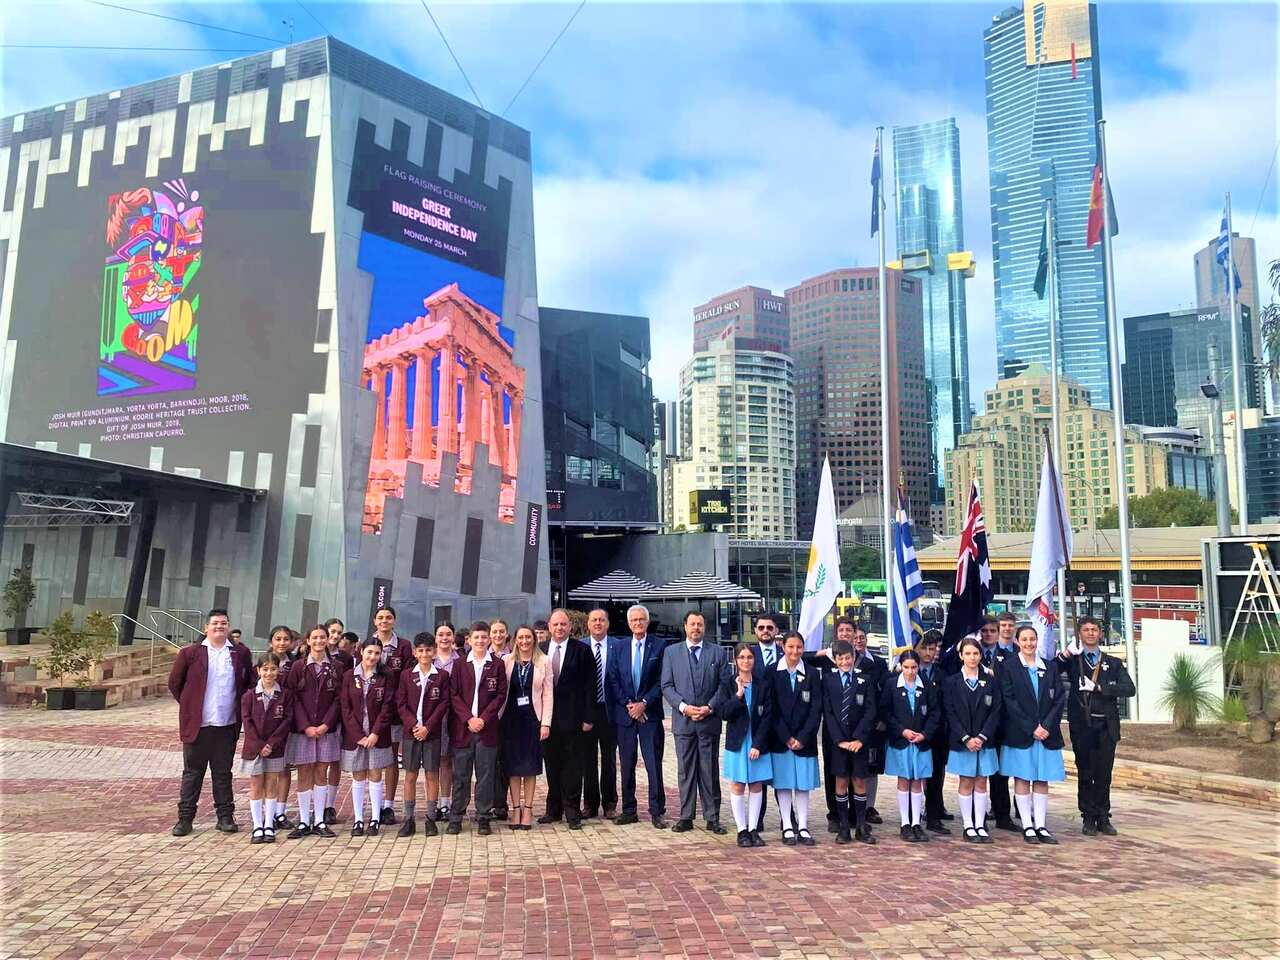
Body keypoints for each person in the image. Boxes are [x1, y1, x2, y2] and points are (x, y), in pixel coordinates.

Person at [168, 608, 255, 836]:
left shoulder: (239, 654)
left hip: (226, 725)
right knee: (192, 773)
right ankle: (185, 819)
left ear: (229, 627)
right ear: (206, 627)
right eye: (215, 623)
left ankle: (225, 816)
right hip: (198, 725)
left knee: (223, 773)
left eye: (224, 623)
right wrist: (190, 706)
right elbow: (175, 684)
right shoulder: (190, 653)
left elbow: (248, 685)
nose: (219, 626)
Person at [1060, 616, 1135, 836]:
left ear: (1100, 634)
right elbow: (1051, 671)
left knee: (1104, 773)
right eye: (1086, 630)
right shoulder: (1074, 661)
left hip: (1106, 725)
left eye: (1094, 630)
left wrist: (1101, 687)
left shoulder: (1112, 662)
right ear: (1079, 634)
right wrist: (1066, 653)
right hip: (1083, 724)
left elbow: (1128, 688)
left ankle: (1103, 815)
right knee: (1085, 771)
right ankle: (1088, 816)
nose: (1091, 633)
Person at [661, 610, 729, 835]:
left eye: (700, 624)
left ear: (704, 627)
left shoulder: (718, 653)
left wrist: (709, 707)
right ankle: (686, 816)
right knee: (685, 770)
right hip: (684, 722)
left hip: (709, 720)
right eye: (692, 624)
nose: (696, 628)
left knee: (709, 770)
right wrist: (683, 707)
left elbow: (724, 685)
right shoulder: (671, 653)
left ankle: (712, 817)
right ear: (685, 626)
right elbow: (667, 686)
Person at [999, 624, 1068, 845]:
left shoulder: (1050, 667)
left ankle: (1040, 825)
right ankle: (1027, 825)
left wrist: (1046, 725)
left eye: (1033, 639)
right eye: (1025, 639)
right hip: (1021, 733)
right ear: (1018, 642)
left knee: (1041, 779)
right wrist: (1031, 727)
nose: (1029, 643)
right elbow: (1009, 701)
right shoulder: (1009, 667)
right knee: (1022, 777)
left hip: (1046, 735)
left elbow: (1059, 699)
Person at [605, 604, 667, 829]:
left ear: (647, 622)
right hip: (626, 716)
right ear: (629, 623)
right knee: (627, 764)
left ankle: (657, 811)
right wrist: (630, 705)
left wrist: (644, 704)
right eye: (634, 620)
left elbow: (662, 680)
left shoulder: (660, 646)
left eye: (642, 620)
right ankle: (629, 810)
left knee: (653, 764)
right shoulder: (619, 647)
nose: (638, 623)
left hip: (649, 716)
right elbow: (612, 679)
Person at [447, 622, 507, 835]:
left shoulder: (497, 665)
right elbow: (453, 695)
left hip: (487, 729)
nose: (480, 641)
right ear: (469, 640)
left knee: (485, 774)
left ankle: (483, 816)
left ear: (489, 639)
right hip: (463, 729)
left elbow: (500, 695)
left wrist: (483, 718)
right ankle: (456, 816)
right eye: (477, 637)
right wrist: (468, 719)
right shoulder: (460, 664)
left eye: (484, 637)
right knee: (461, 774)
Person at [283, 625, 342, 839]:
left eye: (323, 637)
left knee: (321, 772)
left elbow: (338, 699)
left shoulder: (336, 666)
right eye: (314, 637)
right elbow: (293, 698)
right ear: (307, 641)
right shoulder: (298, 667)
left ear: (328, 640)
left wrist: (326, 724)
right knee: (305, 772)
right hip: (303, 730)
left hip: (327, 729)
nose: (319, 641)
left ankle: (319, 820)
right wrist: (306, 725)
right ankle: (303, 821)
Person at [538, 609, 593, 830]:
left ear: (570, 627)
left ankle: (572, 811)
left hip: (574, 719)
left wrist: (589, 717)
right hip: (547, 720)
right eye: (555, 625)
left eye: (563, 624)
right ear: (549, 627)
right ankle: (553, 809)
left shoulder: (582, 650)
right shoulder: (540, 650)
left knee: (572, 766)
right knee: (551, 764)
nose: (559, 628)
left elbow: (591, 686)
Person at [943, 637, 1002, 843]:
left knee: (981, 781)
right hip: (962, 742)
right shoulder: (952, 682)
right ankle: (968, 825)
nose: (972, 657)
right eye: (967, 653)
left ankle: (980, 824)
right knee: (966, 781)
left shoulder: (991, 681)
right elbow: (950, 713)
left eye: (975, 653)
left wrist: (982, 737)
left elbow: (996, 711)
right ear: (961, 656)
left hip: (985, 741)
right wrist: (966, 738)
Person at [767, 630, 822, 847]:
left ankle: (804, 825)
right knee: (783, 783)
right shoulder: (772, 672)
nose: (795, 651)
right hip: (781, 740)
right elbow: (772, 709)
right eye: (791, 647)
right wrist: (787, 737)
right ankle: (788, 825)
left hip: (804, 740)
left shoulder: (811, 673)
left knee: (802, 784)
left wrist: (802, 736)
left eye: (799, 647)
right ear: (783, 647)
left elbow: (816, 709)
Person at [821, 638, 876, 845]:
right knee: (841, 781)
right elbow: (828, 712)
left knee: (860, 781)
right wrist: (839, 740)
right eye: (841, 658)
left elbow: (870, 710)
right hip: (839, 743)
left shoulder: (865, 679)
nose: (845, 662)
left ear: (854, 658)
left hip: (859, 742)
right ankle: (843, 826)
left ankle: (861, 826)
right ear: (835, 660)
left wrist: (859, 739)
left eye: (848, 658)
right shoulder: (828, 680)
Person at [881, 650, 940, 843]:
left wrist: (924, 734)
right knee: (904, 780)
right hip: (901, 741)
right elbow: (886, 712)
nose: (910, 671)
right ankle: (905, 823)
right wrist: (902, 731)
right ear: (901, 666)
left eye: (914, 667)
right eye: (906, 667)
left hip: (921, 742)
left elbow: (934, 713)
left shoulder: (927, 686)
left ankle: (916, 822)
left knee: (917, 781)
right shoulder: (892, 685)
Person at [395, 632, 450, 838]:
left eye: (428, 650)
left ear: (434, 651)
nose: (425, 654)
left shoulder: (442, 676)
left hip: (432, 733)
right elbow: (400, 704)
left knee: (431, 774)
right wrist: (414, 725)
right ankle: (409, 819)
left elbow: (443, 703)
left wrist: (427, 727)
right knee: (410, 775)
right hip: (411, 733)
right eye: (421, 650)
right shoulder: (406, 675)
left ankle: (430, 818)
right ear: (415, 652)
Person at [340, 638, 396, 836]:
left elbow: (388, 707)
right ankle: (357, 819)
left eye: (377, 653)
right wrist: (358, 735)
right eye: (370, 652)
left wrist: (375, 733)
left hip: (377, 734)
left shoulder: (386, 675)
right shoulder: (348, 676)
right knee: (358, 775)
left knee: (375, 774)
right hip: (355, 735)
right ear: (361, 651)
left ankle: (374, 818)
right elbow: (345, 707)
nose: (373, 657)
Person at [720, 643, 774, 847]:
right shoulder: (728, 683)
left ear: (754, 660)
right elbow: (724, 713)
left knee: (756, 784)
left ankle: (753, 829)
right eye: (741, 657)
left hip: (757, 742)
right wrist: (738, 696)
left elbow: (768, 716)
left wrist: (758, 744)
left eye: (749, 657)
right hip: (738, 743)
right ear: (735, 660)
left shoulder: (762, 684)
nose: (746, 661)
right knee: (738, 784)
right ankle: (741, 830)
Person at [501, 625, 553, 830]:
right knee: (513, 768)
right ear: (515, 640)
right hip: (510, 720)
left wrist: (546, 723)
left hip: (533, 719)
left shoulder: (544, 661)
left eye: (528, 637)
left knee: (530, 767)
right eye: (520, 637)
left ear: (534, 639)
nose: (524, 641)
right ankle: (516, 809)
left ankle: (528, 809)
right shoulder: (506, 661)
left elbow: (548, 694)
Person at [241, 652, 292, 843]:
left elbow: (286, 721)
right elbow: (247, 723)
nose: (269, 673)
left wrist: (271, 744)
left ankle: (269, 824)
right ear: (258, 670)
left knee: (272, 784)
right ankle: (257, 825)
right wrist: (260, 745)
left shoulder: (284, 695)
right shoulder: (248, 696)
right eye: (265, 669)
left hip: (275, 747)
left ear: (278, 671)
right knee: (256, 785)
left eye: (273, 669)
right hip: (254, 748)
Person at [371, 606, 413, 825]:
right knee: (374, 760)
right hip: (371, 712)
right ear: (374, 621)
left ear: (394, 621)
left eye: (388, 617)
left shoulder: (404, 646)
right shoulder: (367, 644)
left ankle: (388, 804)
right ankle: (375, 804)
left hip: (395, 713)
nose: (384, 621)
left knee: (390, 758)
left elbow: (405, 679)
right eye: (380, 618)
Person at [978, 615, 1017, 832]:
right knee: (978, 773)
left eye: (992, 630)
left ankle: (1003, 815)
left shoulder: (1010, 656)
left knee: (1000, 773)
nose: (988, 634)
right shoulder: (971, 653)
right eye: (984, 631)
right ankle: (978, 816)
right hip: (976, 722)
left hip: (1001, 721)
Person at [850, 623, 889, 825]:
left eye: (862, 637)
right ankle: (853, 809)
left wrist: (882, 719)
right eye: (855, 637)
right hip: (849, 726)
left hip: (873, 725)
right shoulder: (844, 661)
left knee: (871, 767)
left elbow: (883, 695)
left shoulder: (879, 664)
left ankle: (869, 807)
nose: (858, 640)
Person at [582, 608, 619, 820]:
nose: (597, 623)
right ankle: (589, 803)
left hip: (609, 711)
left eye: (601, 620)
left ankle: (610, 803)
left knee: (609, 760)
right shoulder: (581, 646)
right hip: (588, 711)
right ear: (588, 624)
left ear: (607, 623)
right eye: (594, 620)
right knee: (588, 760)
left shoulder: (618, 646)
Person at [916, 631, 951, 834]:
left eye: (932, 649)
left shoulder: (941, 674)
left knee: (936, 776)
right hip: (914, 731)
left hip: (936, 733)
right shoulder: (909, 671)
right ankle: (913, 816)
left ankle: (934, 816)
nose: (929, 653)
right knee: (913, 778)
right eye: (925, 648)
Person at [267, 625, 299, 832]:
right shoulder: (263, 662)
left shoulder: (295, 663)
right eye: (278, 639)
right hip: (267, 722)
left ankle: (280, 811)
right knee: (266, 771)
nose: (281, 642)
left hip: (289, 719)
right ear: (271, 641)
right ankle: (267, 813)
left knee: (285, 767)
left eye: (285, 639)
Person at [321, 617, 349, 824]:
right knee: (317, 764)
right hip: (315, 717)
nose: (335, 635)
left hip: (337, 715)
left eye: (339, 632)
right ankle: (317, 805)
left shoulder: (346, 659)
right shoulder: (305, 654)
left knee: (334, 761)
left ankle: (330, 805)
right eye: (332, 631)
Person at [433, 623, 460, 823]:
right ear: (435, 638)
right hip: (433, 718)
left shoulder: (461, 660)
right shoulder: (427, 659)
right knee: (437, 762)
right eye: (441, 634)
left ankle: (447, 803)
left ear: (453, 637)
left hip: (456, 716)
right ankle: (435, 803)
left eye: (448, 634)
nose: (444, 638)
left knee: (450, 761)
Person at [489, 618, 512, 821]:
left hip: (507, 715)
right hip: (487, 717)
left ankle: (501, 803)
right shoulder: (481, 656)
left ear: (506, 634)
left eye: (501, 631)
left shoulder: (513, 656)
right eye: (494, 631)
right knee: (487, 762)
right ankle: (487, 803)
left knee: (503, 761)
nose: (498, 635)